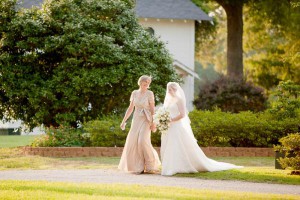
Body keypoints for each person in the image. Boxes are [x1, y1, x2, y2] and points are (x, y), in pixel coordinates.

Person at [160, 82, 243, 176]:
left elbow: (182, 114)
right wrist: (163, 119)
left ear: (175, 90)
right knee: (168, 145)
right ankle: (170, 166)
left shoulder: (179, 100)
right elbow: (165, 112)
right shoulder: (167, 100)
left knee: (175, 145)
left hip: (176, 126)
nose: (170, 91)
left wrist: (172, 120)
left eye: (172, 89)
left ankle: (175, 167)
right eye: (169, 90)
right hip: (168, 127)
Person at [118, 75, 161, 174]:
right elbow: (130, 108)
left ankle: (151, 164)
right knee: (133, 142)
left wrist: (153, 122)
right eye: (145, 82)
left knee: (142, 141)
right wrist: (123, 121)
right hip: (136, 119)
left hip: (147, 119)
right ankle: (138, 166)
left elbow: (152, 108)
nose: (147, 84)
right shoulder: (134, 93)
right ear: (140, 82)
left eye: (148, 83)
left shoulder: (150, 93)